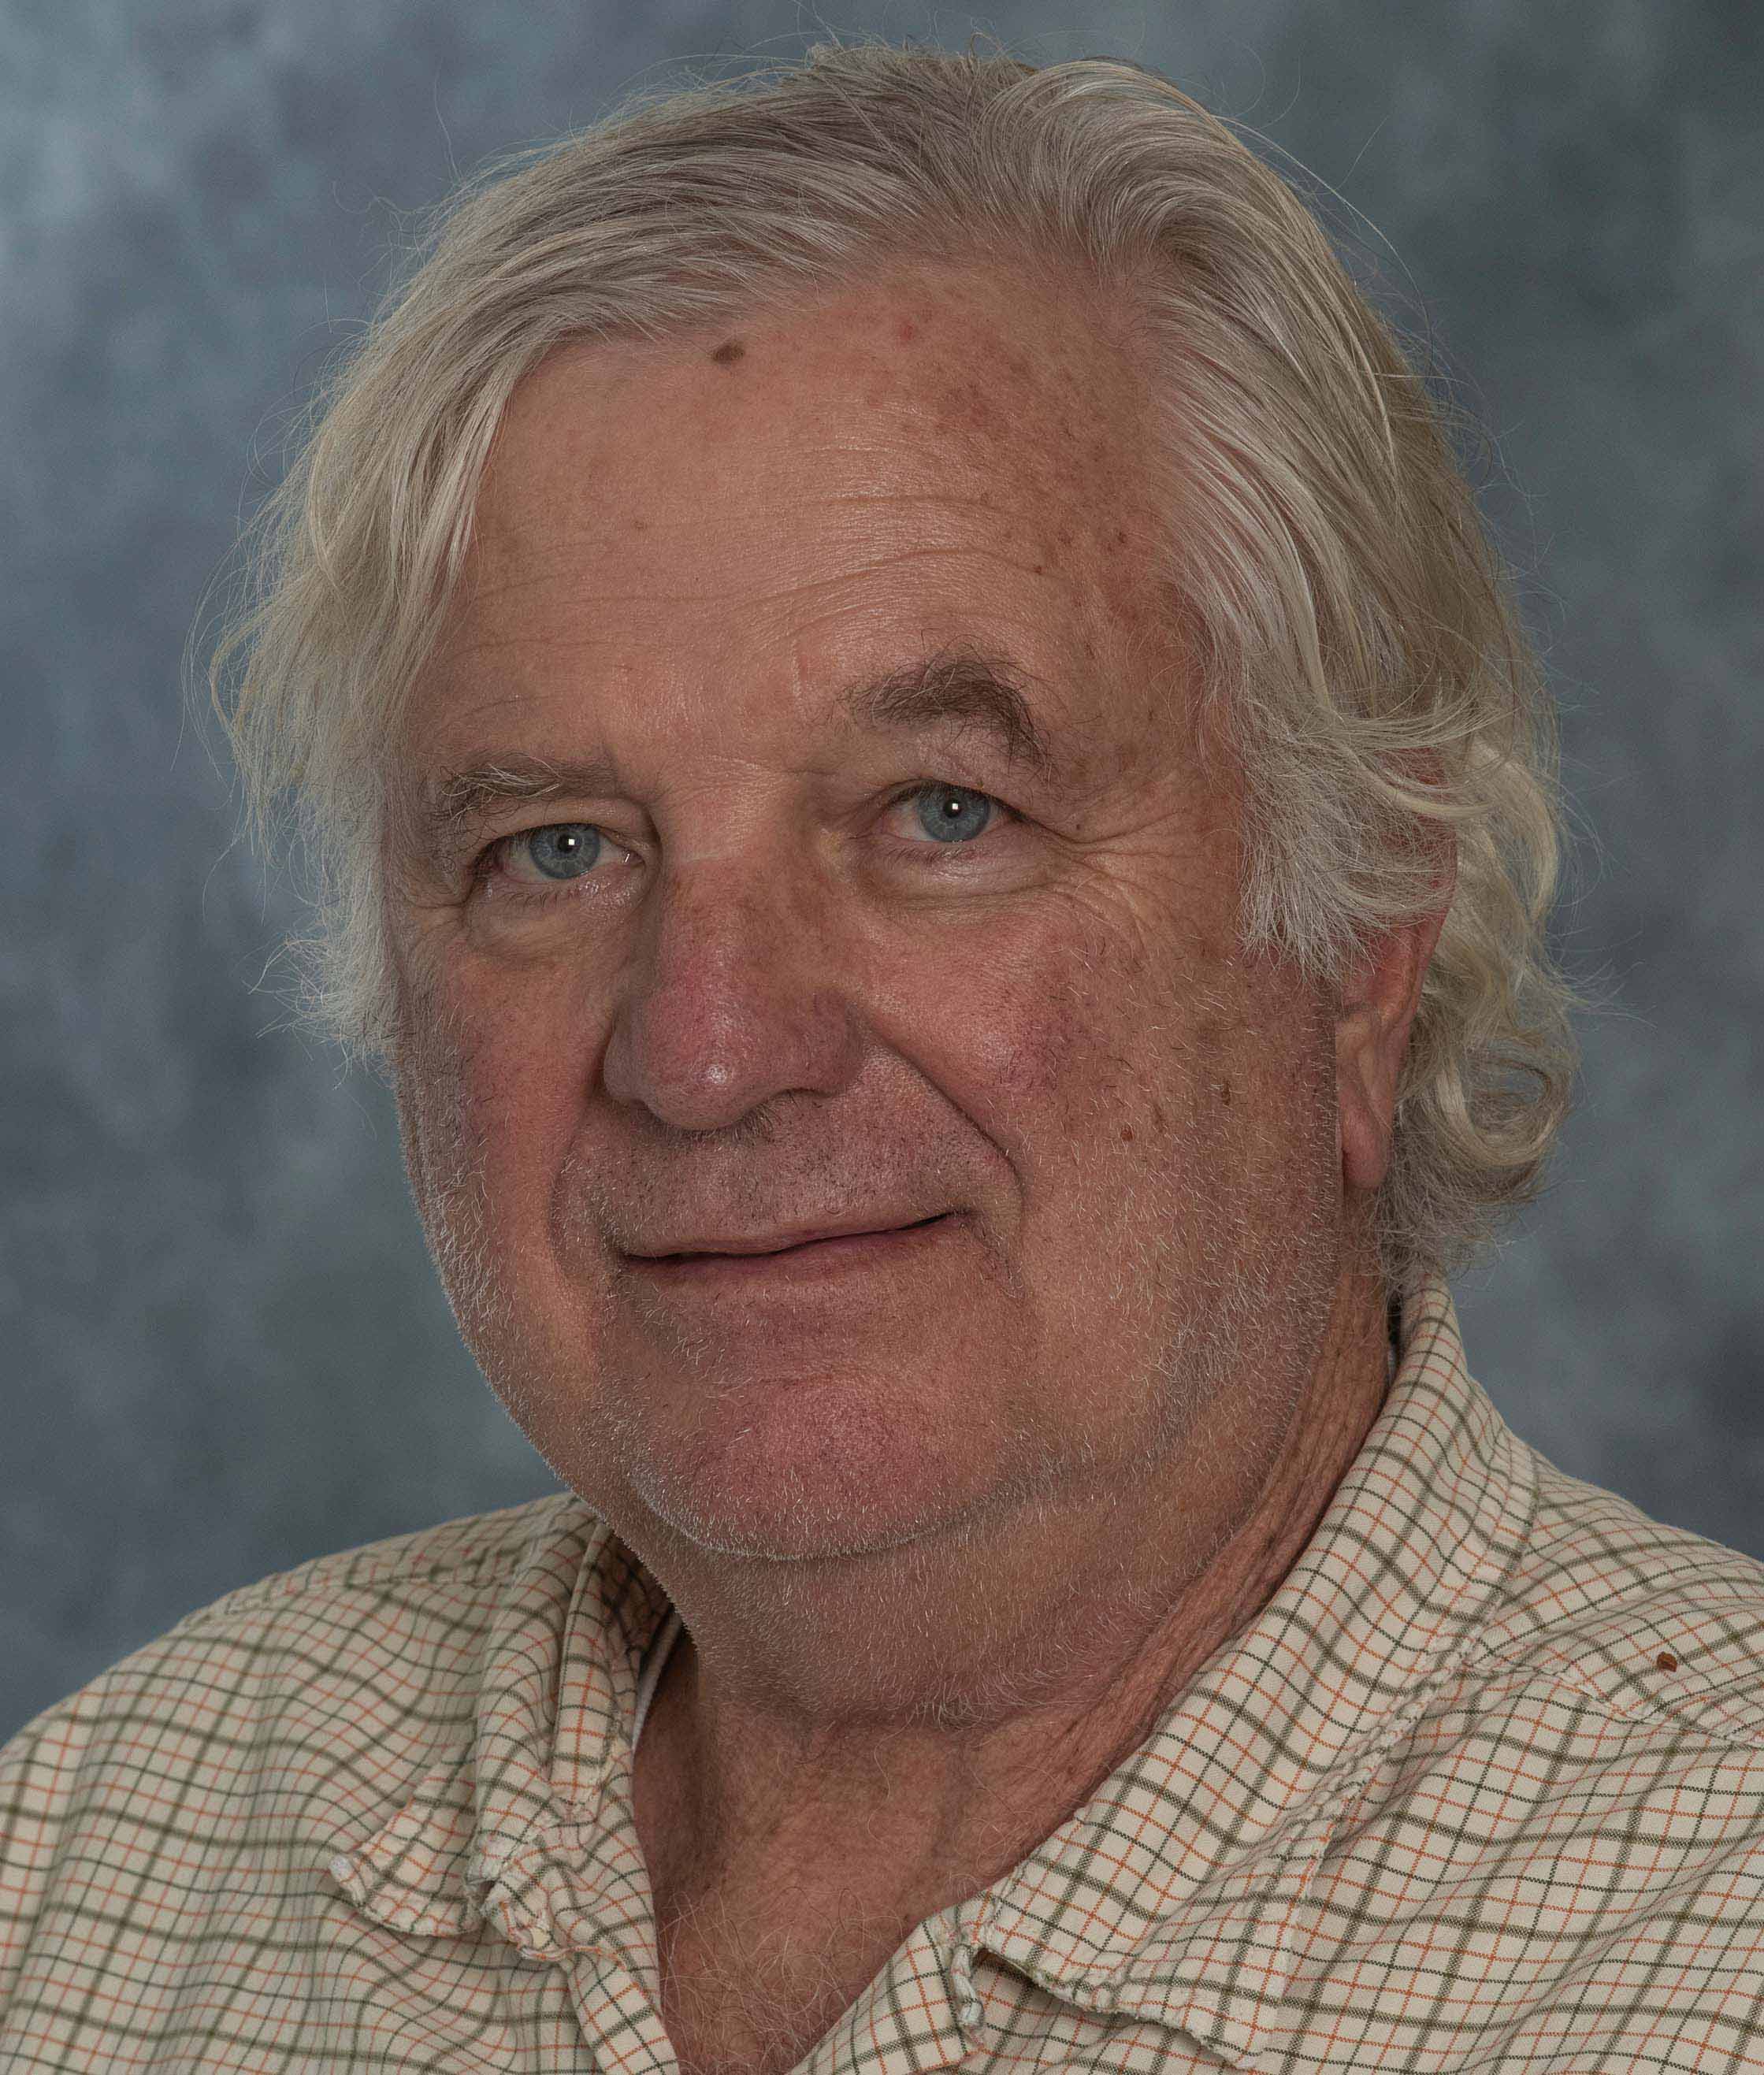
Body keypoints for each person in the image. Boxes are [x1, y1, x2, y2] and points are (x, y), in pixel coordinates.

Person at [5, 38, 1761, 2074]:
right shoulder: (86, 1869)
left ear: (1368, 929)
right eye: (557, 847)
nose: (709, 1049)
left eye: (943, 814)